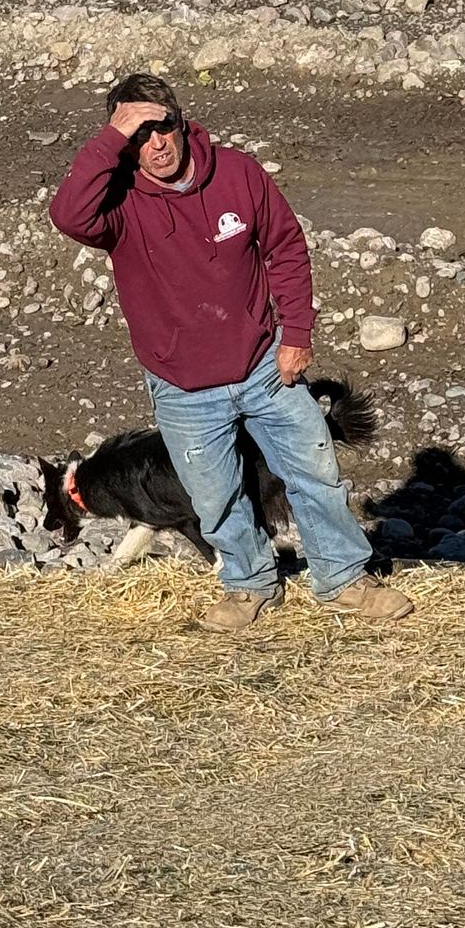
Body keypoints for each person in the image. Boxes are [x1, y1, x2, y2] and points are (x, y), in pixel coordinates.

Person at [48, 72, 412, 634]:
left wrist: (296, 334)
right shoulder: (116, 201)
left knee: (315, 472)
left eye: (162, 126)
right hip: (181, 385)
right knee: (213, 496)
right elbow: (68, 216)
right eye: (137, 133)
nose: (156, 143)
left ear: (181, 123)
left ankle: (344, 578)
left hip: (264, 364)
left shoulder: (238, 174)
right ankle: (249, 585)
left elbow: (286, 247)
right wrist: (108, 141)